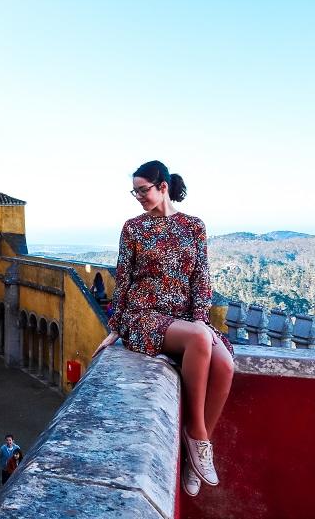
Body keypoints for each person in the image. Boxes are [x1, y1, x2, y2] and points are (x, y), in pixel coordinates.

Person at [92, 160, 235, 498]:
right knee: (201, 337)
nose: (138, 197)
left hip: (184, 320)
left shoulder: (194, 226)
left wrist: (200, 317)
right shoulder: (133, 228)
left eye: (143, 190)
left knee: (225, 365)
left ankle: (191, 460)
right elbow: (123, 279)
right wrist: (114, 328)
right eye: (135, 191)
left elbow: (202, 279)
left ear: (163, 187)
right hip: (144, 317)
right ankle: (198, 437)